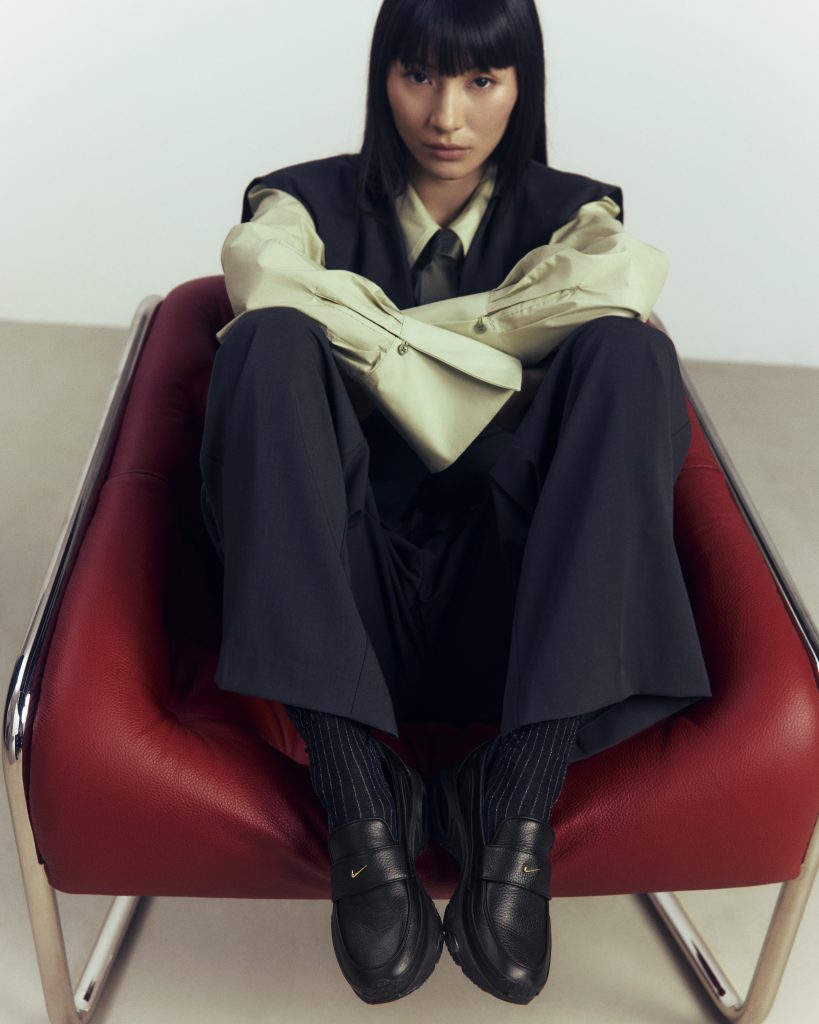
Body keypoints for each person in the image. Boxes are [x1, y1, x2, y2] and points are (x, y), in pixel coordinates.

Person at [199, 0, 711, 1006]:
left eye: (481, 80)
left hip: (514, 609)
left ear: (522, 86)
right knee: (268, 343)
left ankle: (516, 800)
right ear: (382, 76)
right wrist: (507, 354)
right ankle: (357, 795)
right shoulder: (295, 203)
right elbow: (265, 283)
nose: (445, 115)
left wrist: (377, 348)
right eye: (419, 75)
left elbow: (617, 284)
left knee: (628, 354)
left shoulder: (580, 216)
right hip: (345, 601)